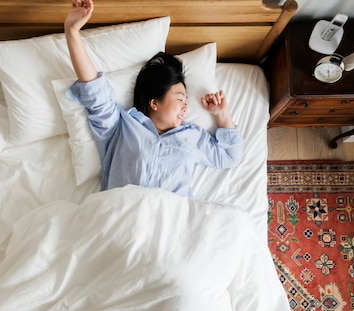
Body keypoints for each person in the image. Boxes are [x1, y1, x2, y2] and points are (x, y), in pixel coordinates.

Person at [64, 0, 245, 197]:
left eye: (185, 101)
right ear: (154, 102)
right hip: (123, 215)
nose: (185, 107)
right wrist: (72, 32)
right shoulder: (122, 127)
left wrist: (222, 115)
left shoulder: (191, 138)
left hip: (170, 219)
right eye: (179, 99)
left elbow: (230, 157)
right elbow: (95, 92)